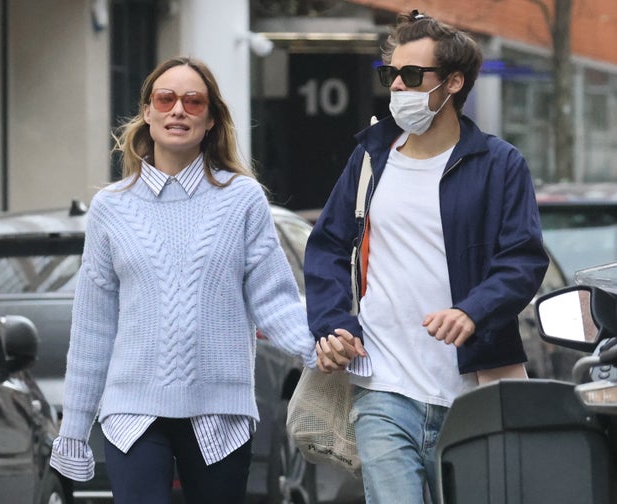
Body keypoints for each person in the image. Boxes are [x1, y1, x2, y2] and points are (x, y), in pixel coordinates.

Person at [49, 56, 319, 504]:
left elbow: (274, 300)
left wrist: (321, 344)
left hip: (219, 412)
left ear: (211, 119)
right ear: (148, 112)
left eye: (194, 102)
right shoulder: (110, 208)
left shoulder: (242, 199)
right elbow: (94, 328)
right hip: (131, 411)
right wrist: (74, 431)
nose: (179, 110)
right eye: (166, 99)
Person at [304, 10, 550, 504]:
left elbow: (522, 258)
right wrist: (332, 324)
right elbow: (329, 246)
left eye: (412, 76)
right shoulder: (372, 157)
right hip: (383, 386)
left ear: (454, 82)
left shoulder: (500, 164)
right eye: (390, 75)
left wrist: (471, 311)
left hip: (475, 390)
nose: (397, 87)